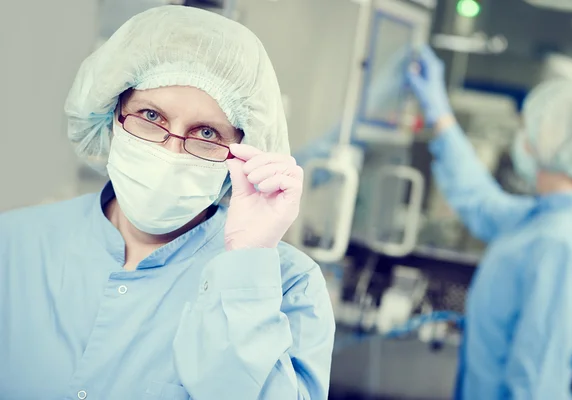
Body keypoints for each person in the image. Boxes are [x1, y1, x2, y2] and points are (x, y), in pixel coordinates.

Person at [0, 6, 335, 400]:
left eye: (206, 132)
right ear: (111, 114)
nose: (171, 150)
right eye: (150, 115)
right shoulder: (14, 244)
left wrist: (246, 262)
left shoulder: (289, 283)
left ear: (244, 151)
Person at [409, 47, 572, 399]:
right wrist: (440, 114)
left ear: (564, 142)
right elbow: (482, 204)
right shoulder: (545, 218)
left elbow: (534, 382)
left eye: (537, 124)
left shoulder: (562, 243)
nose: (524, 132)